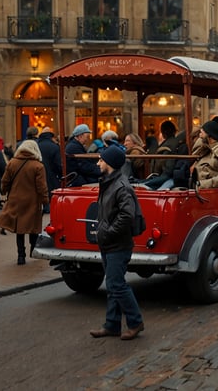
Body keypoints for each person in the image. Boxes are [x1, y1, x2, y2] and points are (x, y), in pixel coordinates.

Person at [90, 145, 144, 340]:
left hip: (117, 244)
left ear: (110, 163)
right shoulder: (109, 182)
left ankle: (135, 322)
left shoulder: (120, 186)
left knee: (116, 285)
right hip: (110, 242)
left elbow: (127, 216)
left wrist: (109, 232)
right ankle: (111, 325)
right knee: (113, 284)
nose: (98, 162)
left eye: (101, 159)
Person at [0, 140, 49, 264]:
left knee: (20, 229)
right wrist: (45, 200)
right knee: (33, 227)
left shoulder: (12, 163)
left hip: (16, 200)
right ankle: (33, 251)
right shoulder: (38, 166)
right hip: (33, 201)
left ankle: (21, 256)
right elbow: (42, 187)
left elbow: (5, 181)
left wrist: (3, 191)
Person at [37, 126, 62, 214]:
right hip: (52, 175)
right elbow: (58, 164)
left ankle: (44, 207)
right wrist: (60, 174)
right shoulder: (54, 147)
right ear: (51, 136)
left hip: (38, 174)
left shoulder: (36, 145)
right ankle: (49, 208)